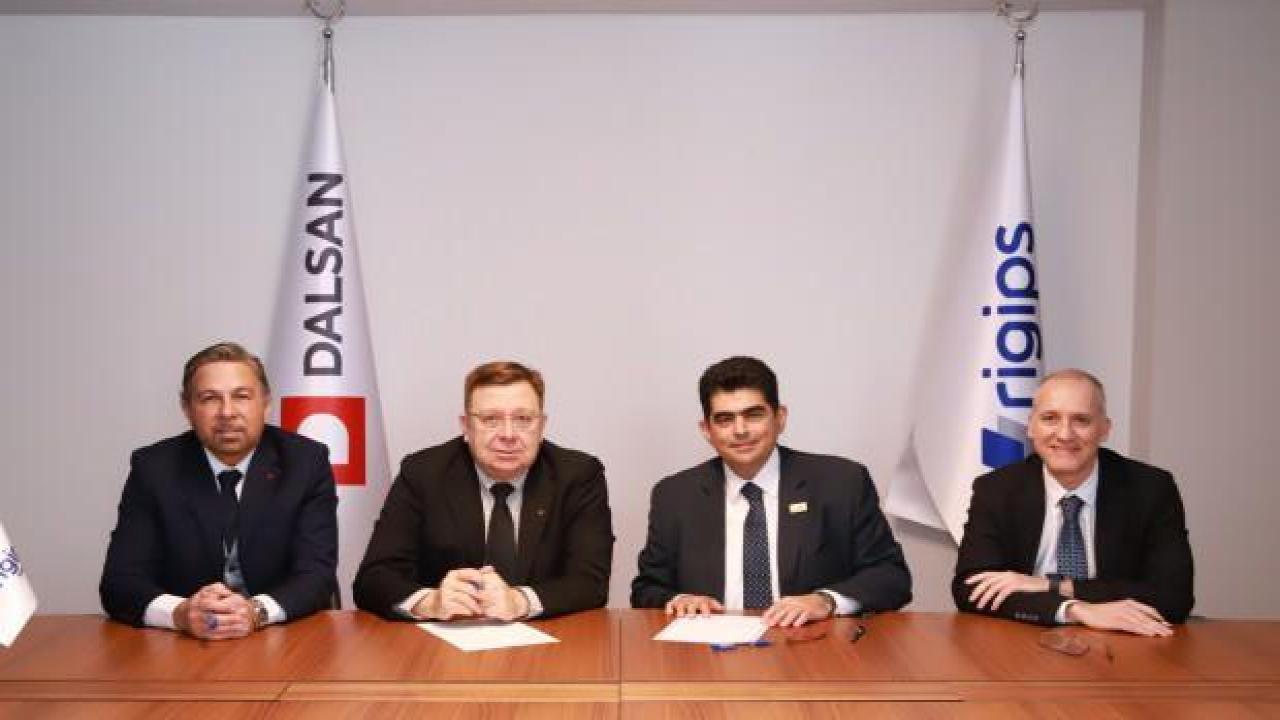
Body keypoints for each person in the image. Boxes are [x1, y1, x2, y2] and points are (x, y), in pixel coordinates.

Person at [631, 356, 911, 626]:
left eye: (753, 415)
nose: (740, 430)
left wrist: (825, 600)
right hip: (710, 648)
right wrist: (679, 599)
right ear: (706, 430)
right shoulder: (675, 496)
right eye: (725, 419)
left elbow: (891, 577)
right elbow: (646, 589)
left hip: (812, 645)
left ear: (780, 418)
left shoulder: (840, 483)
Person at [100, 342, 339, 639]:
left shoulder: (305, 463)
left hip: (283, 637)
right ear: (187, 408)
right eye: (210, 398)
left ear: (265, 403)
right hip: (185, 644)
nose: (227, 412)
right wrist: (181, 613)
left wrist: (254, 612)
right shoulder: (154, 469)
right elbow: (120, 582)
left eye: (241, 396)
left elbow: (316, 575)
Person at [354, 361, 613, 621]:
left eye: (523, 419)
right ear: (466, 426)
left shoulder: (578, 476)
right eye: (491, 419)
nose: (508, 434)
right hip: (444, 639)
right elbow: (374, 577)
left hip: (551, 638)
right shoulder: (424, 473)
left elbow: (590, 582)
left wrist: (520, 601)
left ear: (542, 425)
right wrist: (429, 602)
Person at [953, 369, 1194, 636]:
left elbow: (1174, 597)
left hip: (1125, 642)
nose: (1065, 434)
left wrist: (1052, 586)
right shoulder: (997, 489)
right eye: (1050, 419)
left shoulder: (1150, 489)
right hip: (1024, 638)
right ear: (1031, 426)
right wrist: (1073, 609)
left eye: (1081, 420)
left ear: (1105, 429)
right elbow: (972, 589)